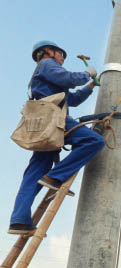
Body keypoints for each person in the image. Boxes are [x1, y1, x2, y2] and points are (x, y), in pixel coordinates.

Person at [9, 41, 104, 234]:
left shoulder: (48, 78)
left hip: (41, 123)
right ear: (48, 52)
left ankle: (19, 219)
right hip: (52, 118)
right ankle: (55, 177)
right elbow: (69, 78)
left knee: (35, 171)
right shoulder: (46, 64)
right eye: (60, 54)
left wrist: (91, 85)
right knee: (94, 141)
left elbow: (73, 100)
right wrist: (87, 74)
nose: (62, 58)